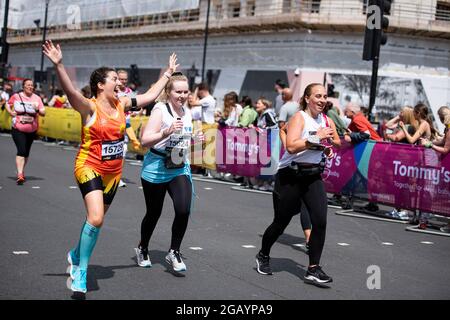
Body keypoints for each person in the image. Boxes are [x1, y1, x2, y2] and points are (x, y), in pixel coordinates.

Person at [43, 39, 178, 293]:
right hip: (88, 166)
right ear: (100, 84)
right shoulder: (88, 107)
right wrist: (59, 65)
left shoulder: (122, 104)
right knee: (95, 217)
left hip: (113, 174)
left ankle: (75, 253)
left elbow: (149, 96)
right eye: (114, 79)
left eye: (119, 79)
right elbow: (72, 92)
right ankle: (81, 271)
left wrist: (168, 73)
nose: (120, 82)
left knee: (97, 221)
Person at [255, 83, 341, 286]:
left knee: (320, 221)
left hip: (312, 176)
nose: (321, 100)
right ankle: (263, 255)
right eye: (317, 96)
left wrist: (327, 146)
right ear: (307, 98)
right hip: (290, 176)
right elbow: (292, 146)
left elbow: (337, 141)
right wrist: (315, 138)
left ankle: (313, 268)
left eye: (324, 96)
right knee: (281, 222)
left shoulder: (326, 119)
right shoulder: (299, 117)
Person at [135, 72, 203, 272]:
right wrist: (165, 132)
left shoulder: (187, 111)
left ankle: (174, 251)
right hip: (156, 166)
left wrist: (194, 139)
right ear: (169, 91)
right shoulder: (160, 110)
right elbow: (145, 141)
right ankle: (143, 247)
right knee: (154, 213)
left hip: (178, 165)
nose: (182, 95)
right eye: (178, 92)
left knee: (183, 209)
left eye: (185, 91)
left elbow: (181, 139)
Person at [5, 79, 46, 184]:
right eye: (28, 85)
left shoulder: (37, 98)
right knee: (21, 150)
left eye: (32, 85)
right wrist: (10, 112)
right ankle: (19, 174)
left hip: (32, 129)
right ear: (23, 86)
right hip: (18, 128)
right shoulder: (16, 96)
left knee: (26, 152)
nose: (30, 87)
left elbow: (43, 112)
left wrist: (37, 109)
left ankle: (21, 170)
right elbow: (7, 104)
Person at [420, 106, 450, 233]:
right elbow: (443, 142)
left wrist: (430, 145)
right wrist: (430, 141)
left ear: (442, 117)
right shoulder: (447, 128)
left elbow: (446, 149)